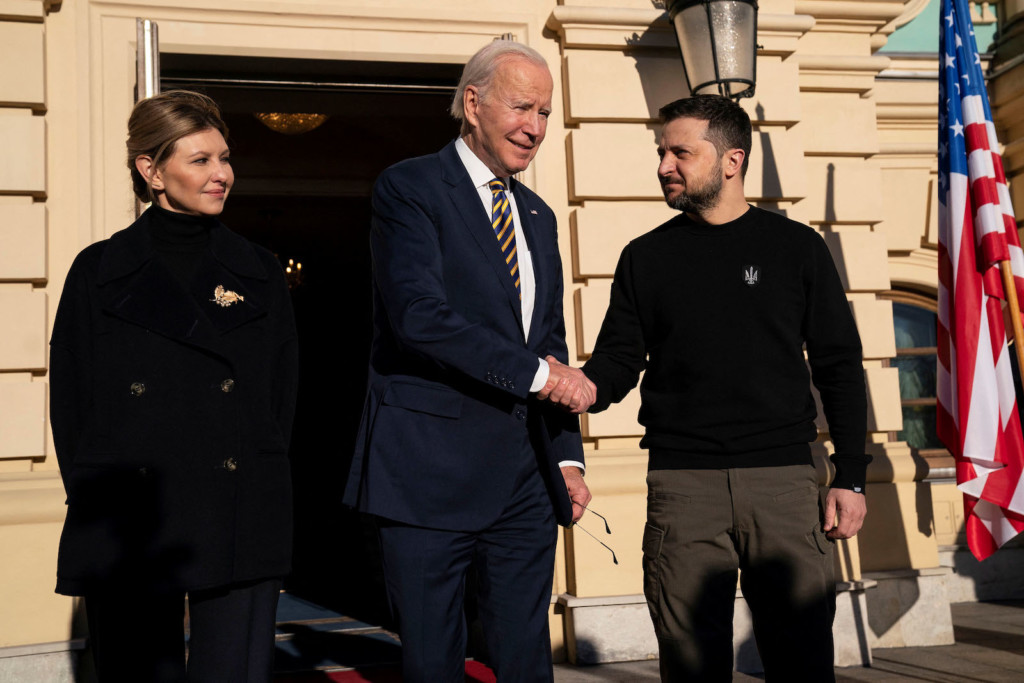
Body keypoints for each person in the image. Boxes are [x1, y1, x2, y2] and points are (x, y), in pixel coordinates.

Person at [573, 95, 869, 681]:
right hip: (683, 490)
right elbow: (616, 362)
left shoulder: (796, 248)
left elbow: (839, 363)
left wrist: (852, 475)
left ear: (732, 161)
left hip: (785, 486)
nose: (664, 165)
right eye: (662, 152)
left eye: (681, 152)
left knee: (802, 663)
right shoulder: (645, 257)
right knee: (689, 668)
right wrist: (570, 384)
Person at [342, 40, 593, 682]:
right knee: (433, 663)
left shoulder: (536, 215)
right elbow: (419, 317)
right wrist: (541, 377)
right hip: (427, 475)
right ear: (473, 103)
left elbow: (550, 340)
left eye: (544, 112)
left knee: (525, 661)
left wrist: (565, 457)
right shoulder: (410, 187)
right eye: (521, 107)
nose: (534, 128)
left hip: (526, 483)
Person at [50, 90, 298, 682]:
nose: (222, 175)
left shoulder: (259, 270)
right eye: (201, 160)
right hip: (132, 515)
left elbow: (279, 398)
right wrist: (99, 492)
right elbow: (73, 402)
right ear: (151, 170)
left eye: (225, 158)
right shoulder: (98, 270)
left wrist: (259, 477)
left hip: (238, 511)